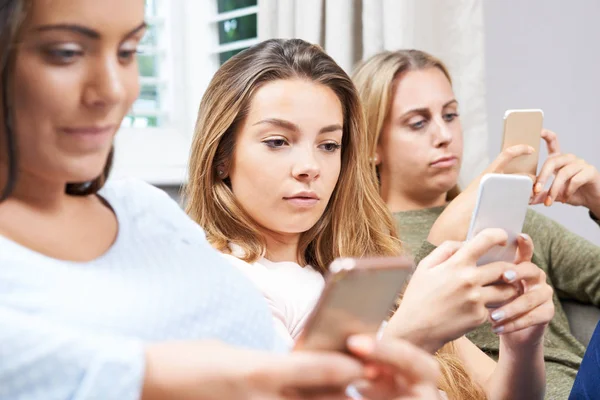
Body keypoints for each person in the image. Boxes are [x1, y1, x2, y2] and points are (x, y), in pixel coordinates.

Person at [0, 1, 443, 399]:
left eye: (129, 51)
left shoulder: (146, 212)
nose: (115, 90)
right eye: (66, 53)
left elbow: (293, 383)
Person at [186, 38, 554, 400]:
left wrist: (521, 343)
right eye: (278, 141)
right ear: (221, 157)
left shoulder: (367, 267)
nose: (310, 167)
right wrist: (412, 334)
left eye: (329, 145)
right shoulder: (226, 283)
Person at [352, 48, 600, 399]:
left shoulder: (516, 217)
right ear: (371, 145)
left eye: (450, 115)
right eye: (418, 122)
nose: (444, 135)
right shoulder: (368, 241)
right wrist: (442, 238)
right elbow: (406, 330)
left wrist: (597, 200)